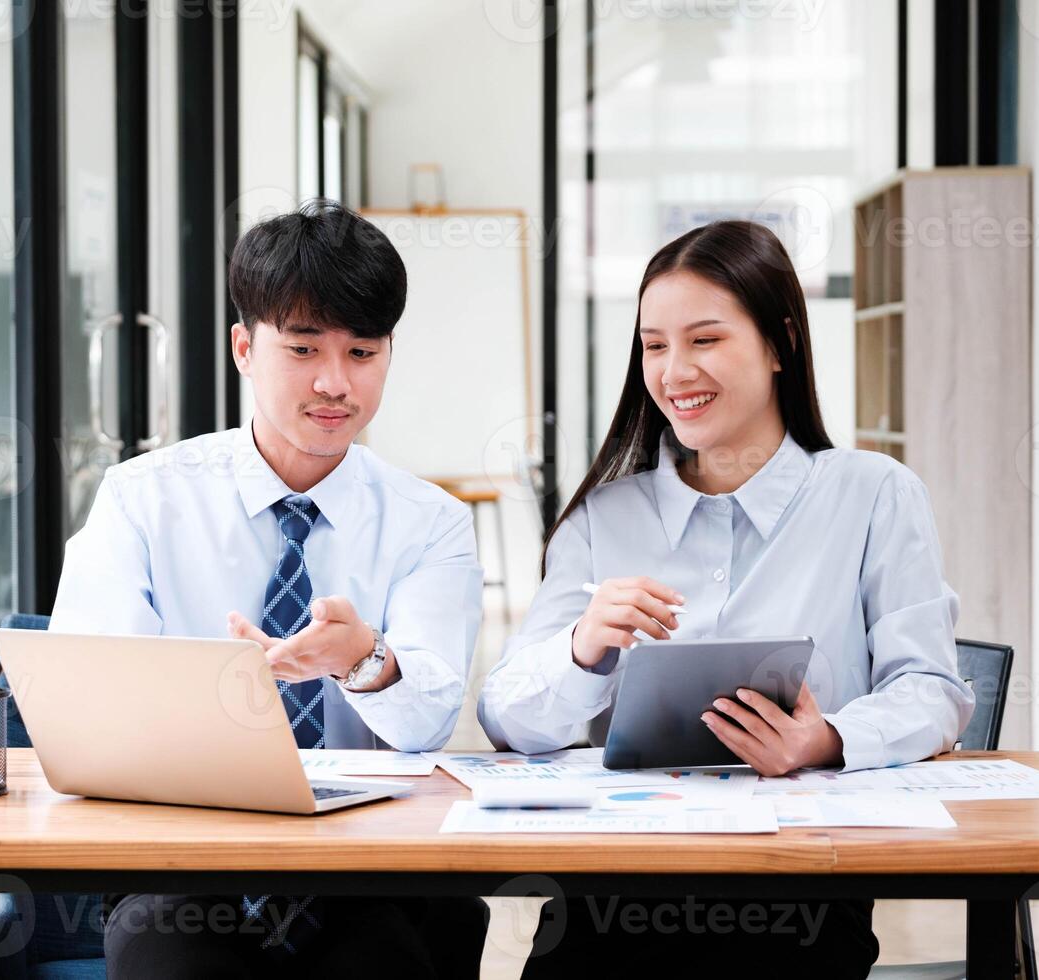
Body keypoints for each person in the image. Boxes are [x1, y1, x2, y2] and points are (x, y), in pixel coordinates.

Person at [477, 220, 975, 979]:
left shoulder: (873, 495)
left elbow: (934, 690)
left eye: (704, 339)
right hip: (612, 898)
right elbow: (504, 716)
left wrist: (827, 739)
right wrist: (581, 648)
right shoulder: (601, 519)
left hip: (800, 896)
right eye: (653, 345)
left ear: (780, 344)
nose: (674, 370)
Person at [51, 200, 488, 979]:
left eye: (362, 352)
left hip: (366, 872)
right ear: (245, 348)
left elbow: (429, 725)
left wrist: (367, 660)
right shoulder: (142, 499)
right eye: (303, 349)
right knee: (165, 949)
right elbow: (85, 705)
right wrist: (202, 702)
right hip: (185, 861)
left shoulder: (432, 524)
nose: (334, 382)